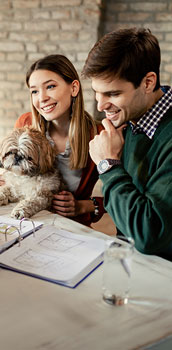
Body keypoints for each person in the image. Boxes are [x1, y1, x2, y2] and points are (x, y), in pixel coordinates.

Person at [83, 28, 172, 260]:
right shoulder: (131, 121)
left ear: (148, 82)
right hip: (130, 260)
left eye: (112, 94)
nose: (100, 105)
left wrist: (108, 166)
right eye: (96, 93)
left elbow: (149, 235)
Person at [13, 54, 105, 226]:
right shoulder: (25, 124)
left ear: (74, 88)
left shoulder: (99, 134)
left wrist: (83, 206)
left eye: (50, 86)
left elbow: (123, 194)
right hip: (28, 223)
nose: (42, 98)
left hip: (70, 229)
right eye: (34, 91)